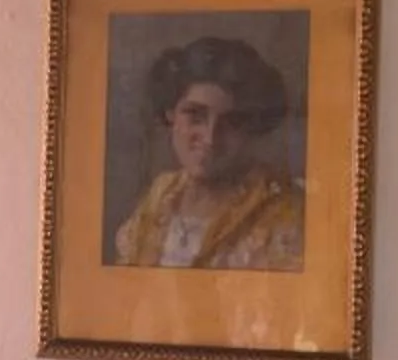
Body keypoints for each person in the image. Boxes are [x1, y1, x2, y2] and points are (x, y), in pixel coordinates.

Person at [114, 35, 305, 270]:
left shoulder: (283, 212)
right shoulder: (160, 198)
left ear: (252, 127)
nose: (210, 138)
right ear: (171, 113)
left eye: (232, 122)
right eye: (195, 115)